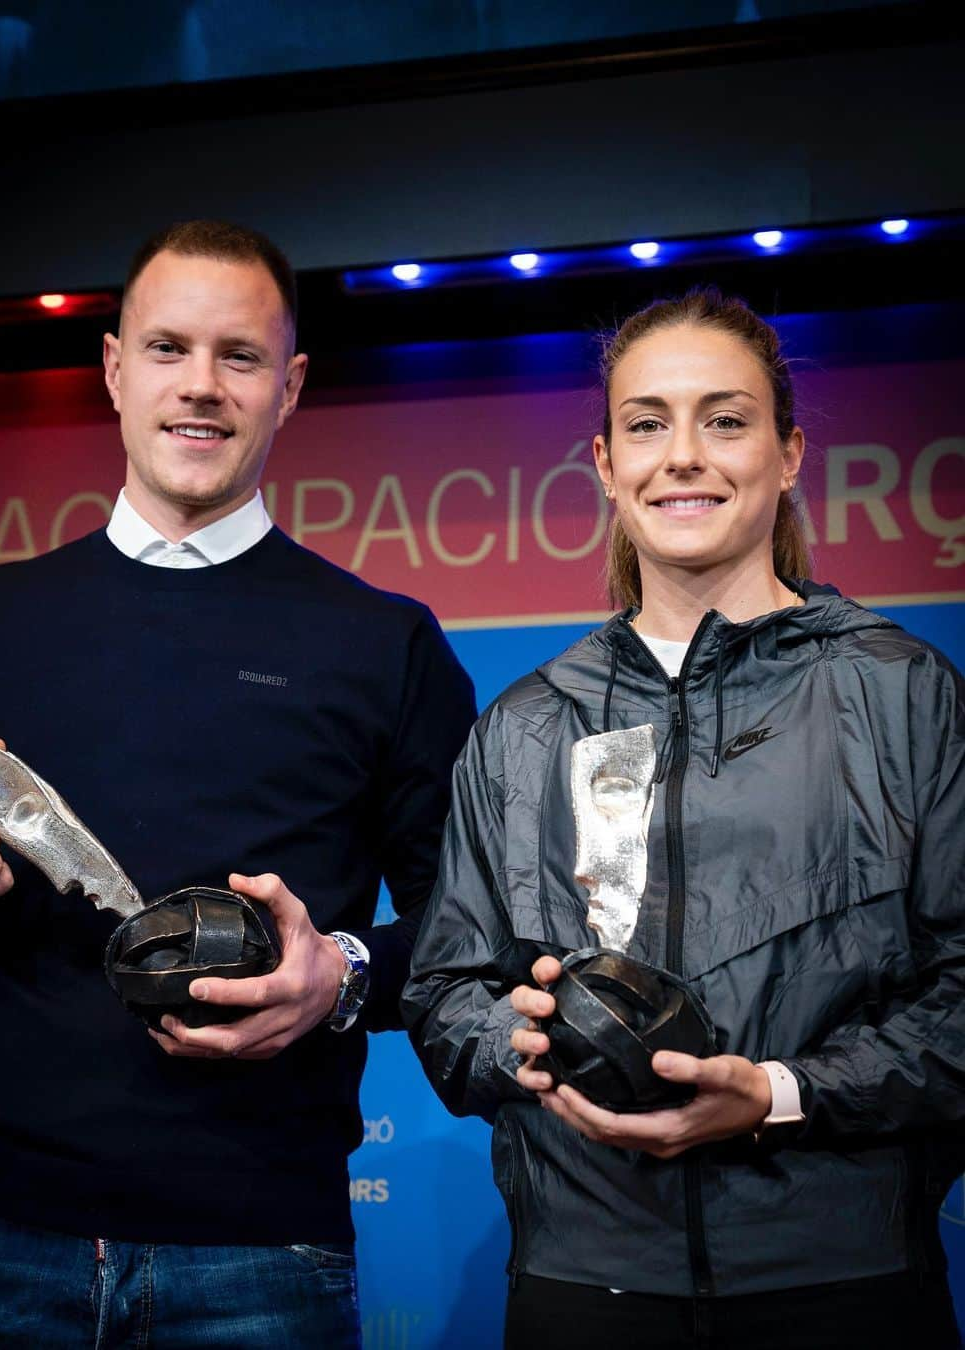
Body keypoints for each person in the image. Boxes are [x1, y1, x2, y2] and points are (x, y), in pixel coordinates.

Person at [0, 219, 476, 1349]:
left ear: (290, 385)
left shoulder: (384, 643)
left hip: (261, 1259)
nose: (200, 387)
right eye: (167, 349)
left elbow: (474, 928)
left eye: (239, 357)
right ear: (113, 368)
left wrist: (337, 977)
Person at [403, 288, 965, 1350]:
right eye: (648, 424)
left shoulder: (905, 695)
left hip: (843, 1284)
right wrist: (526, 1043)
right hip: (585, 1287)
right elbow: (443, 995)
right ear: (608, 465)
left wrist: (775, 1093)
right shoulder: (526, 725)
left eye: (727, 419)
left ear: (789, 453)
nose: (685, 456)